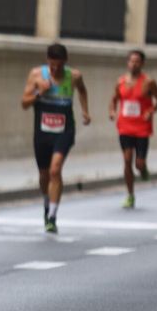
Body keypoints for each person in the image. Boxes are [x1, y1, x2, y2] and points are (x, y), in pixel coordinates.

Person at [21, 43, 90, 233]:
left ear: (65, 62)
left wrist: (85, 111)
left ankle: (52, 216)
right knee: (44, 175)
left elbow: (83, 90)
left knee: (55, 170)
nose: (56, 69)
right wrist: (38, 92)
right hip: (42, 132)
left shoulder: (74, 76)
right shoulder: (36, 75)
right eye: (52, 66)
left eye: (59, 66)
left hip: (64, 130)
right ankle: (46, 202)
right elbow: (24, 104)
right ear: (47, 61)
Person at [109, 49, 157, 209]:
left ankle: (143, 169)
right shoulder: (120, 82)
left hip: (142, 127)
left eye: (137, 61)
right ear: (128, 63)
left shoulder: (149, 82)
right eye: (131, 61)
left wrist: (150, 111)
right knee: (127, 160)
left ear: (142, 63)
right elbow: (113, 100)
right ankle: (130, 195)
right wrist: (112, 111)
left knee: (138, 163)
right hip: (125, 126)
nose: (134, 64)